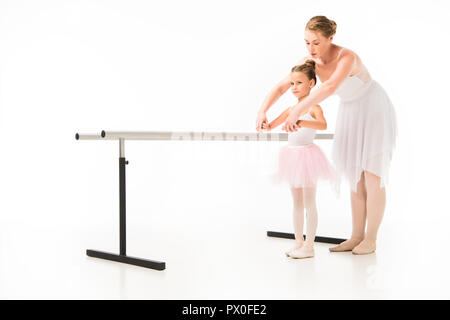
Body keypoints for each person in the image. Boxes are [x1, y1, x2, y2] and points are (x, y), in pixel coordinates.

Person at [256, 16, 397, 255]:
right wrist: (263, 110)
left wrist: (298, 111)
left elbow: (329, 87)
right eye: (307, 43)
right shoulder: (309, 60)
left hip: (373, 108)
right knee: (354, 175)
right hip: (350, 110)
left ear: (330, 39)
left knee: (372, 174)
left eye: (316, 43)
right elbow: (283, 86)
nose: (311, 49)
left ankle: (370, 239)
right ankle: (356, 236)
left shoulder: (347, 57)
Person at [264, 60, 337, 259]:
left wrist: (300, 120)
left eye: (299, 83)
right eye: (292, 84)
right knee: (296, 202)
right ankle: (298, 242)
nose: (294, 87)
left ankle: (309, 245)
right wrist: (264, 123)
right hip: (291, 157)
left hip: (307, 157)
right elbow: (271, 126)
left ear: (311, 83)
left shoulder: (313, 106)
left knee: (309, 202)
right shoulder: (290, 110)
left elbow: (322, 124)